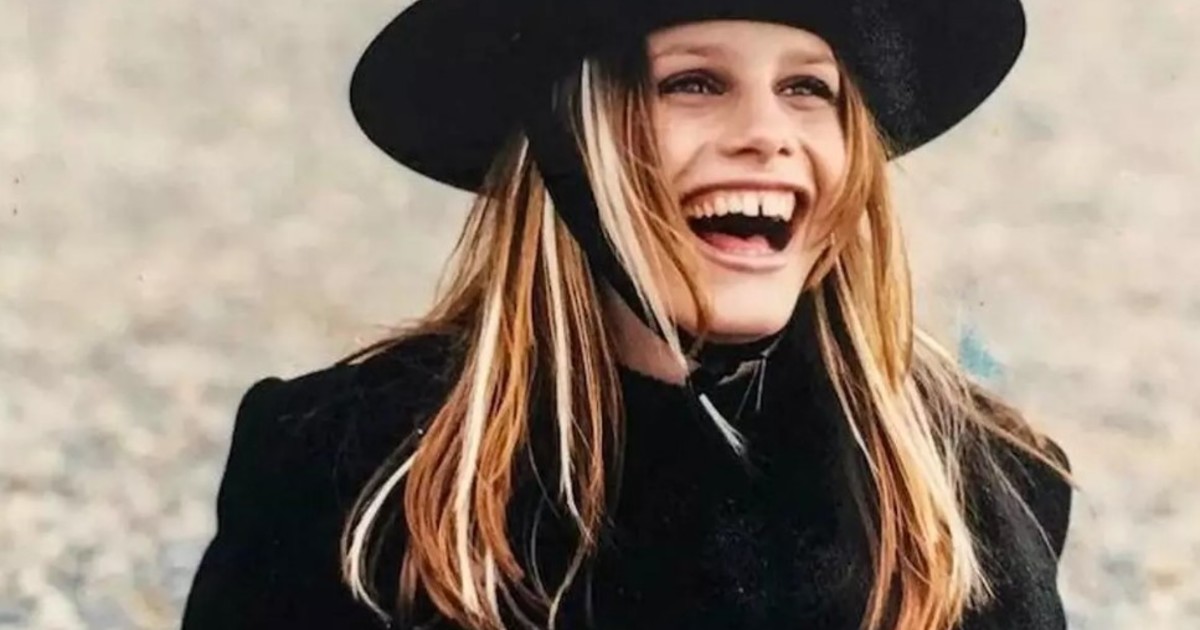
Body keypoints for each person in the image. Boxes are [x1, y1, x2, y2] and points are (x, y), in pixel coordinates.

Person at [182, 0, 1075, 628]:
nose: (767, 133)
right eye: (694, 83)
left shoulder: (971, 493)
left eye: (809, 88)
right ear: (567, 146)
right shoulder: (350, 474)